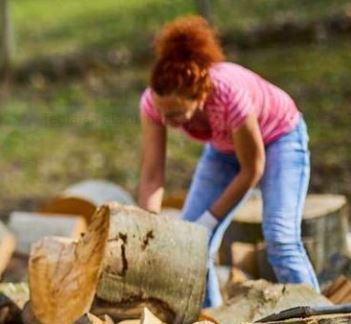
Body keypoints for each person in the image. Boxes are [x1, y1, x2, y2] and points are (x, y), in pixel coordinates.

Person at [136, 16, 318, 307]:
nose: (167, 121)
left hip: (279, 139)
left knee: (280, 239)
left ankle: (323, 321)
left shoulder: (228, 95)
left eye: (176, 115)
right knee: (192, 246)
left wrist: (208, 221)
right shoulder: (153, 104)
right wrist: (149, 225)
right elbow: (152, 174)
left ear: (199, 97)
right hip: (224, 149)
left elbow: (252, 169)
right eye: (163, 113)